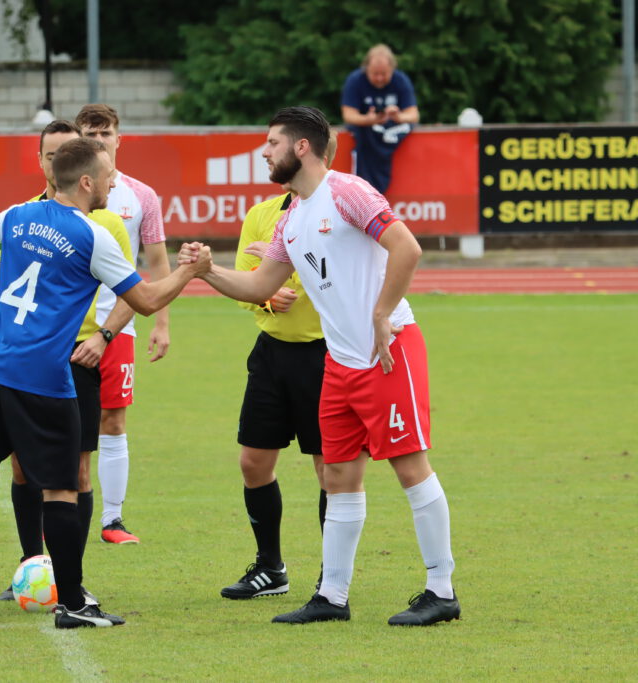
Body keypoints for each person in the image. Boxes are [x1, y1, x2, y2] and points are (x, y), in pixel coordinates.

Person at [0, 136, 210, 629]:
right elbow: (148, 300)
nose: (114, 182)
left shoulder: (16, 216)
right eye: (108, 175)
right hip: (45, 379)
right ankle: (72, 604)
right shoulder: (94, 236)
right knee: (62, 489)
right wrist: (190, 272)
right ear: (86, 181)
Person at [180, 106, 459, 627]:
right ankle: (332, 596)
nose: (265, 152)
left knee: (409, 467)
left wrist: (381, 314)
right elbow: (260, 285)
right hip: (340, 363)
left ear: (301, 147)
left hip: (387, 352)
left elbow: (407, 247)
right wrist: (206, 270)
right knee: (338, 475)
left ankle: (441, 589)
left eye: (272, 143)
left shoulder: (348, 191)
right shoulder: (291, 219)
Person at [0, 120, 136, 604]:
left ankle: (72, 575)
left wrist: (103, 337)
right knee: (22, 468)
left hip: (80, 355)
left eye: (62, 154)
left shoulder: (104, 223)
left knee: (76, 472)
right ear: (40, 161)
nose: (54, 163)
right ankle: (33, 567)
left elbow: (133, 293)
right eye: (49, 155)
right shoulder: (21, 217)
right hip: (24, 357)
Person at [220, 131, 337, 601]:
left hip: (326, 356)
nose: (267, 155)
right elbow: (246, 283)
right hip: (271, 354)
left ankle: (333, 575)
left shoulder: (337, 210)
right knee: (253, 462)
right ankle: (271, 567)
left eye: (274, 145)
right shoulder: (261, 215)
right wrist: (268, 298)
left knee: (330, 471)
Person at [75, 103, 172, 545]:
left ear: (119, 138)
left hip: (119, 323)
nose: (98, 140)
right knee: (66, 422)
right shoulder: (64, 191)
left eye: (105, 133)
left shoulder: (142, 196)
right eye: (90, 133)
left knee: (113, 419)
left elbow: (157, 262)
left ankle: (112, 520)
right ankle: (59, 512)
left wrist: (161, 322)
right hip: (68, 326)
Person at [340, 44, 419, 194]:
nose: (379, 78)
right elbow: (348, 115)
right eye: (375, 74)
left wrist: (398, 117)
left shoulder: (401, 80)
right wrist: (369, 120)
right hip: (365, 138)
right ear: (366, 69)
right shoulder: (355, 80)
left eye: (384, 74)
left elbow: (413, 115)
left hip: (391, 132)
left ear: (392, 69)